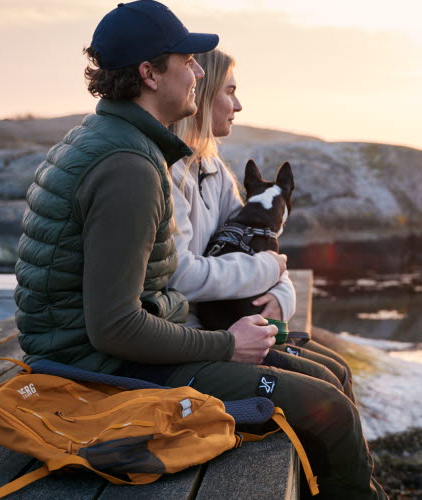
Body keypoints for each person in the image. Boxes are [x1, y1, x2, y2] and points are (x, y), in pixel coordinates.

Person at [12, 2, 385, 498]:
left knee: (323, 383)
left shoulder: (111, 142)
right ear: (149, 74)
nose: (196, 73)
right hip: (101, 373)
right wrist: (228, 345)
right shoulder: (128, 168)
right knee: (329, 411)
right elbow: (115, 328)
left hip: (99, 353)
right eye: (187, 61)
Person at [166, 49, 356, 402]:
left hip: (234, 324)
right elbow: (183, 277)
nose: (238, 106)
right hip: (201, 336)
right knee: (327, 397)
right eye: (230, 92)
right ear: (203, 96)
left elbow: (255, 241)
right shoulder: (169, 175)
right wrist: (268, 268)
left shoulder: (212, 169)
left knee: (338, 370)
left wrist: (283, 296)